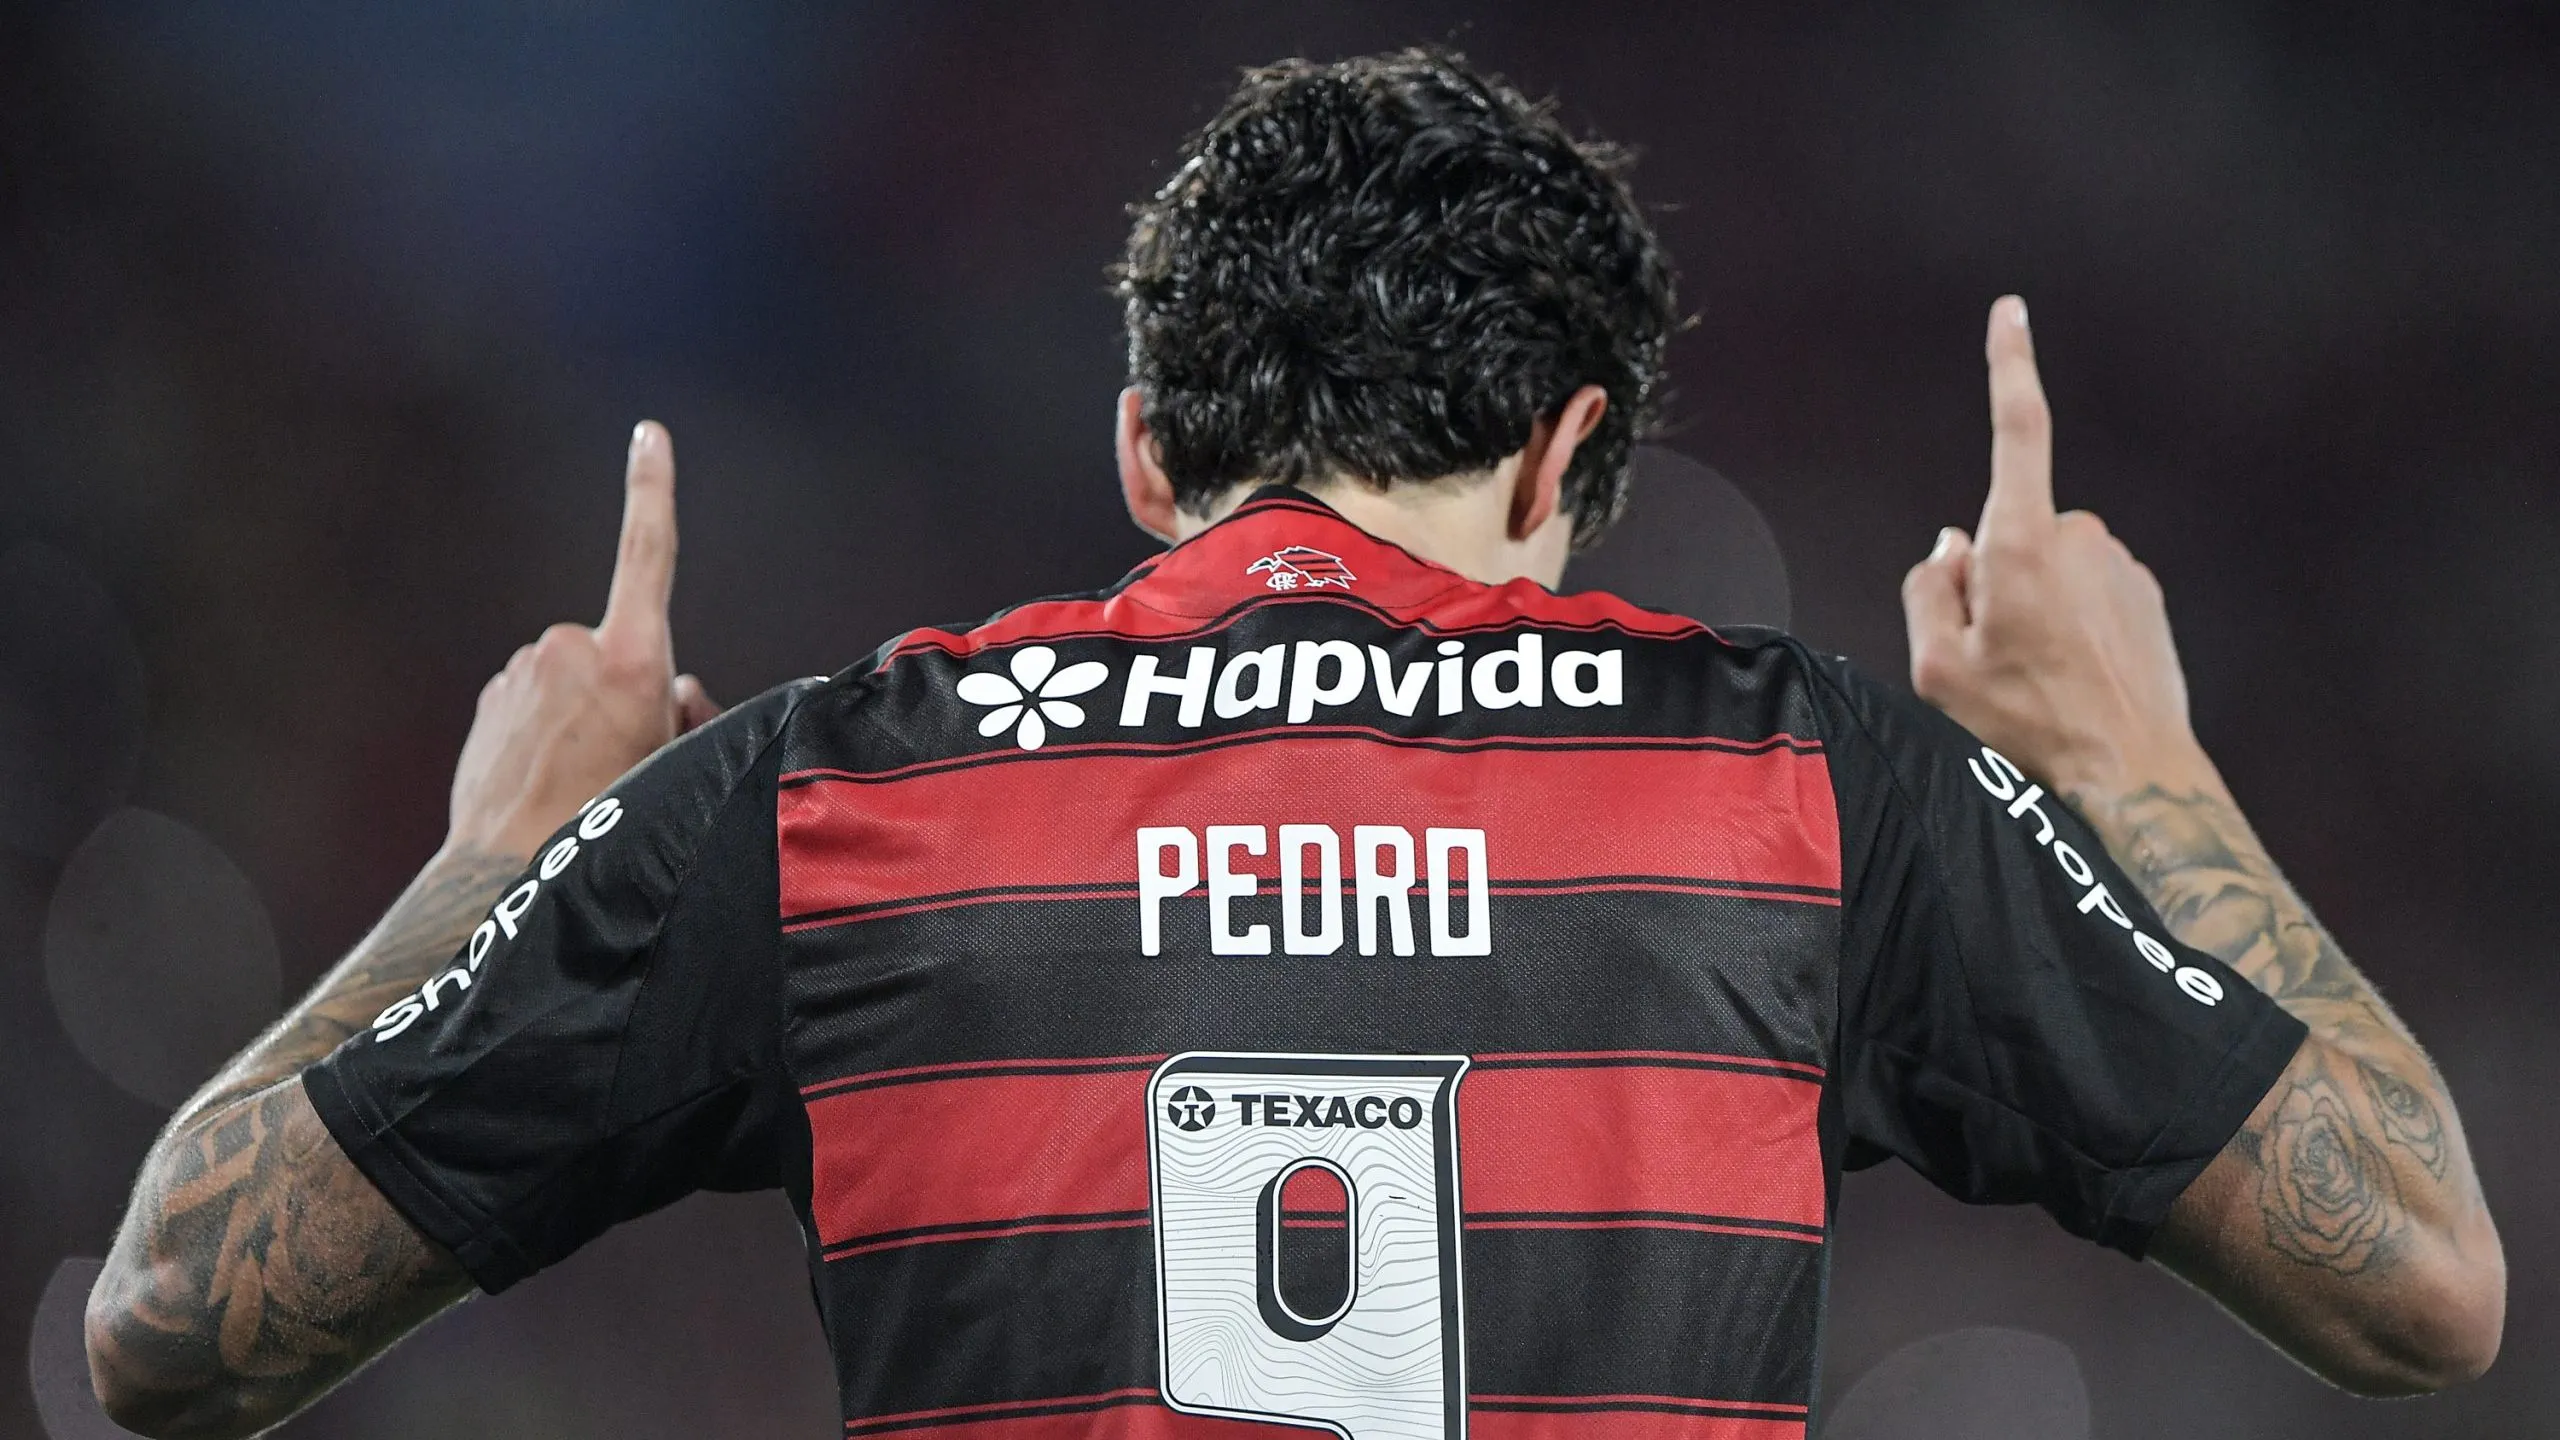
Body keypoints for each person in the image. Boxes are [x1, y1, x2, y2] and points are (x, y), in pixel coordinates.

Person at [85, 49, 2499, 1440]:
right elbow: (2418, 1281)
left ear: (1146, 450)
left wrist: (497, 848)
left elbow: (173, 1322)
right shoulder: (1801, 790)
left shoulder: (822, 804)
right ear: (1565, 466)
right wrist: (2130, 757)